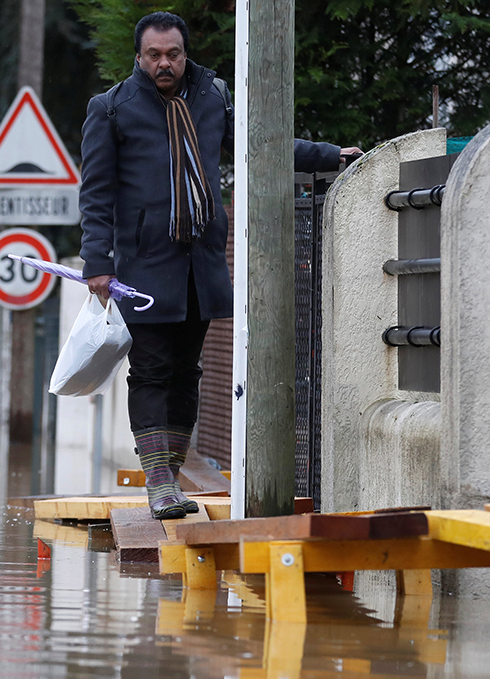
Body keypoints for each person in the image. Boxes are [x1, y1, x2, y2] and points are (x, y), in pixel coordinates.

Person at [78, 11, 362, 520]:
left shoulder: (211, 98)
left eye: (173, 54)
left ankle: (171, 470)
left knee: (187, 372)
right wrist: (97, 262)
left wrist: (326, 155)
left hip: (201, 263)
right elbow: (96, 194)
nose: (164, 63)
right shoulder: (112, 110)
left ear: (185, 54)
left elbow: (259, 146)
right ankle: (160, 482)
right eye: (154, 55)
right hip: (143, 265)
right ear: (139, 58)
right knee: (150, 371)